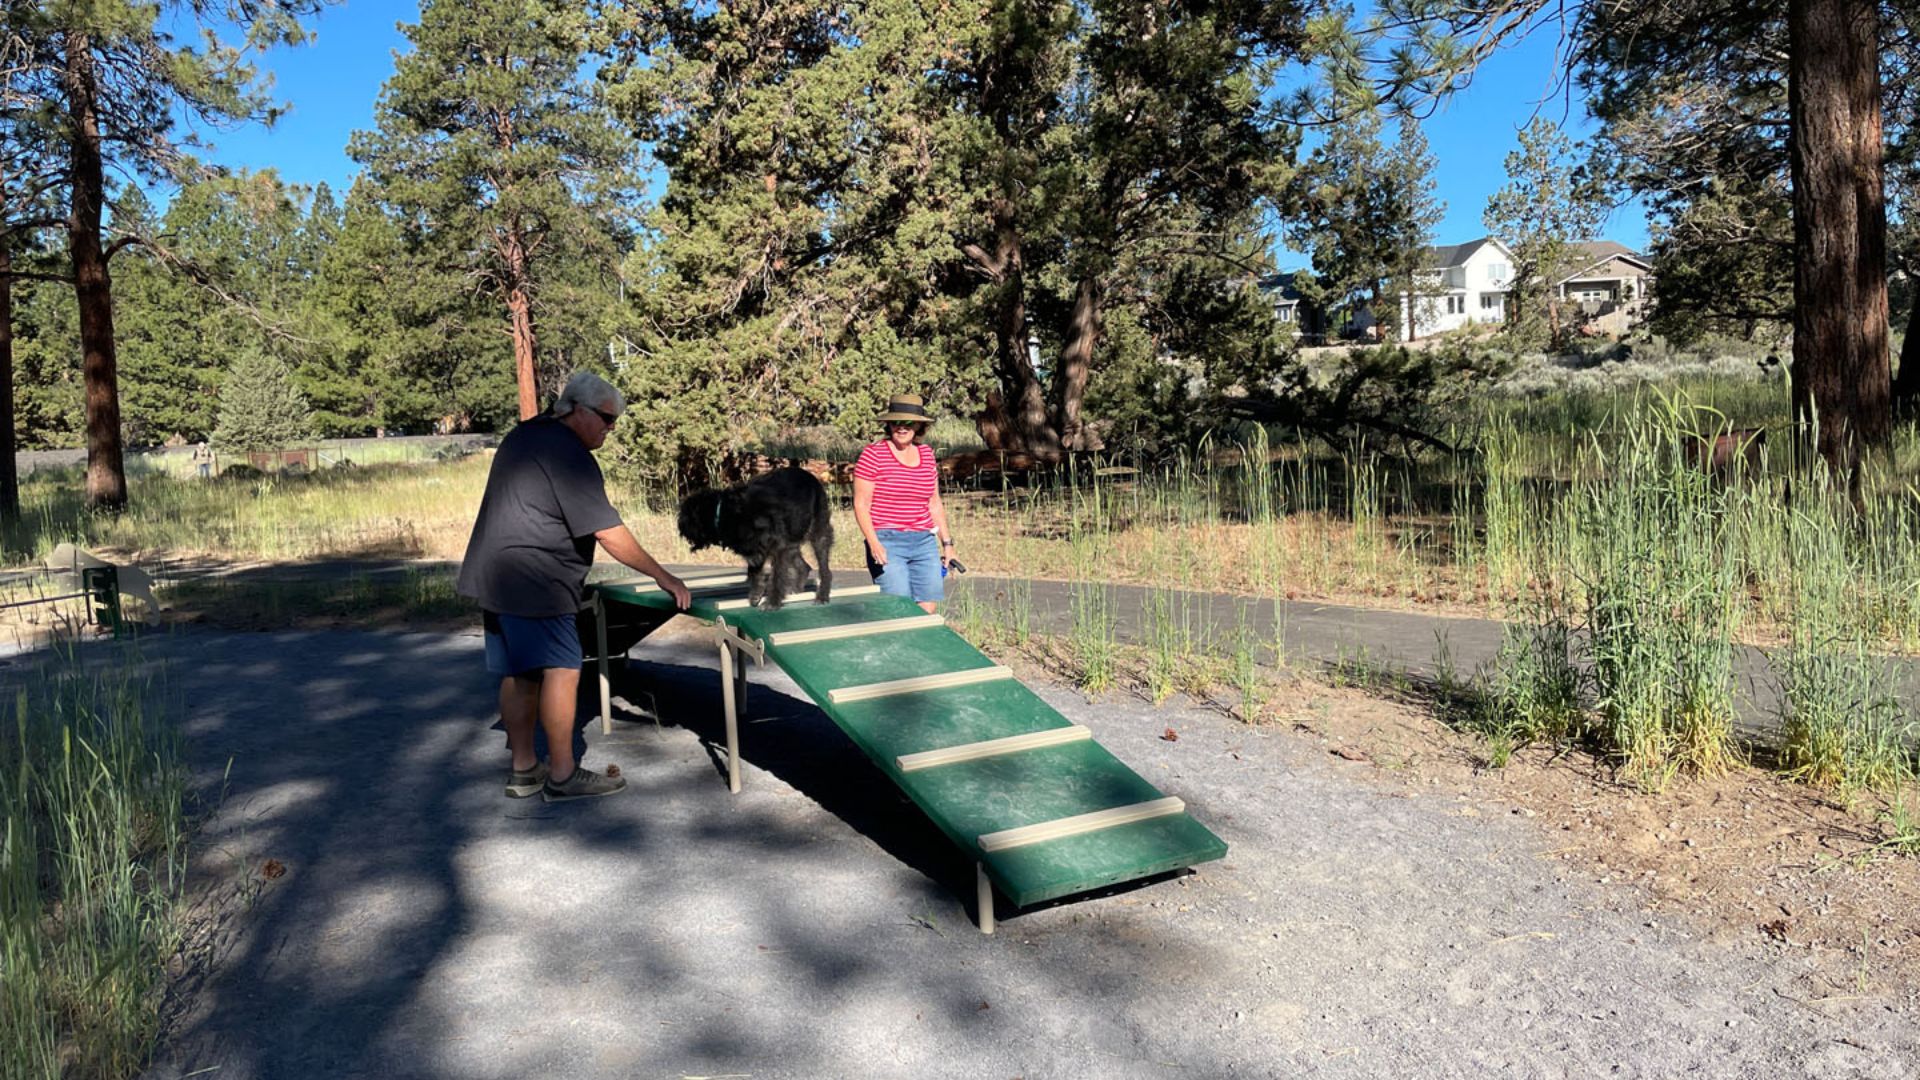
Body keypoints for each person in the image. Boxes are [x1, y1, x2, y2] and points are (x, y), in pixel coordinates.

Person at [456, 371, 691, 802]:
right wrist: (664, 575)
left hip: (496, 575)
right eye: (605, 419)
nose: (610, 429)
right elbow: (608, 531)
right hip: (537, 581)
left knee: (519, 673)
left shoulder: (524, 435)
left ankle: (524, 769)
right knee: (563, 669)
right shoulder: (569, 453)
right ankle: (563, 775)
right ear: (577, 410)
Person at [853, 393, 954, 614]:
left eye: (908, 422)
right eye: (896, 422)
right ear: (888, 424)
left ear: (918, 426)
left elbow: (934, 502)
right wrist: (874, 543)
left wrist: (948, 544)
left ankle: (920, 649)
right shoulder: (873, 454)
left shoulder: (926, 454)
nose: (902, 427)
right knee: (896, 609)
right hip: (888, 540)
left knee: (927, 607)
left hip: (924, 541)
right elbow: (861, 504)